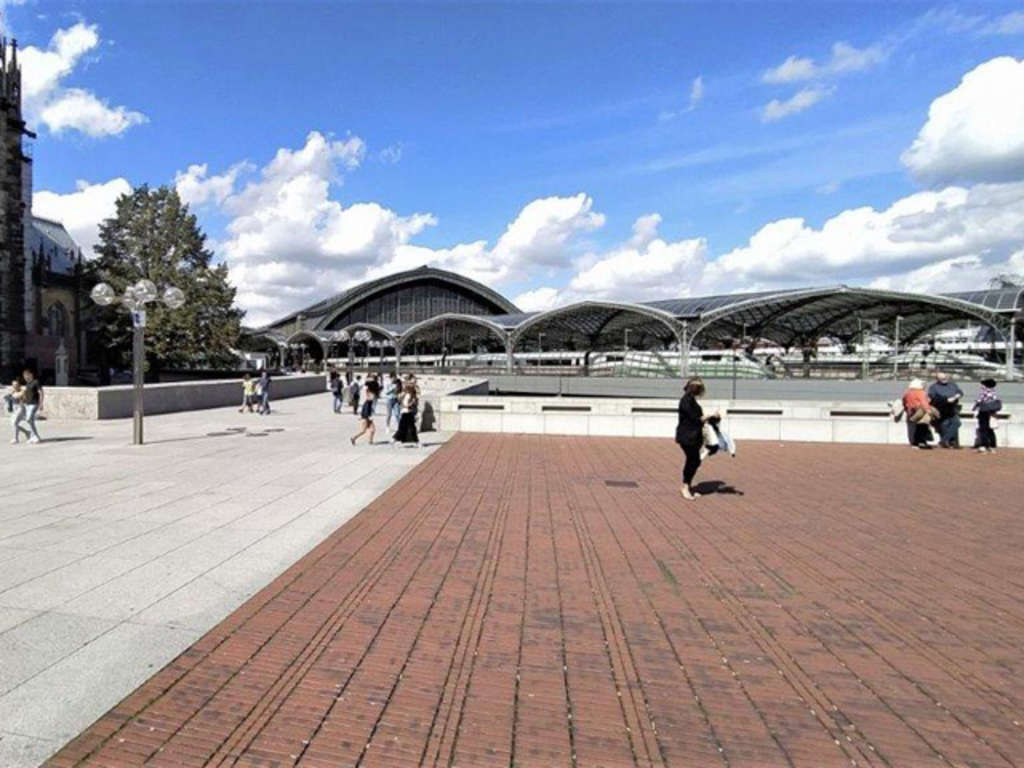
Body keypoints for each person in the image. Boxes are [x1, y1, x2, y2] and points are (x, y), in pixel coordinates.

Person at [675, 377, 716, 500]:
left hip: (694, 435)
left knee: (694, 460)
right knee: (693, 460)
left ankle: (688, 486)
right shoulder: (685, 401)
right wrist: (709, 416)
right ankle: (685, 486)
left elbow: (698, 418)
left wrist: (711, 417)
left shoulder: (691, 400)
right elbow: (695, 419)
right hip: (687, 436)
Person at [927, 371, 963, 448]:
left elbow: (960, 392)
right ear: (937, 379)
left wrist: (957, 396)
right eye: (942, 378)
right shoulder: (933, 387)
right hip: (941, 410)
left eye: (945, 377)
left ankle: (944, 441)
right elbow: (934, 398)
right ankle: (948, 443)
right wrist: (946, 400)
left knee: (957, 423)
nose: (945, 379)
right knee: (944, 426)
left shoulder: (952, 385)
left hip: (952, 409)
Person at [901, 378, 934, 448]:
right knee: (922, 426)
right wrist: (928, 410)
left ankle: (914, 443)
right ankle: (921, 441)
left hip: (910, 411)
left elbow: (904, 402)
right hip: (920, 412)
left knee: (912, 428)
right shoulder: (921, 392)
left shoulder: (907, 392)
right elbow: (923, 402)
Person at [13, 367, 43, 444]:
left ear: (31, 374)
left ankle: (35, 436)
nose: (26, 377)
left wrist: (41, 403)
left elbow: (41, 392)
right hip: (27, 404)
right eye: (24, 376)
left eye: (27, 375)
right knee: (29, 420)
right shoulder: (27, 384)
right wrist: (22, 401)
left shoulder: (36, 382)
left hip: (34, 404)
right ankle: (33, 436)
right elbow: (26, 395)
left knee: (29, 419)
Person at [972, 378, 1001, 453]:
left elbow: (979, 400)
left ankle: (984, 445)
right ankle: (992, 446)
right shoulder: (994, 392)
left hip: (983, 411)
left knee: (983, 429)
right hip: (991, 412)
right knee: (990, 429)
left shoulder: (984, 392)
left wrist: (974, 407)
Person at [351, 374, 380, 445]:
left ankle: (370, 441)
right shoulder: (368, 401)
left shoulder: (369, 398)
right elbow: (366, 408)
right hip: (366, 415)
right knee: (364, 430)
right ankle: (354, 438)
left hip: (367, 415)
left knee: (372, 429)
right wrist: (368, 416)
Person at [393, 374, 420, 447]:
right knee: (405, 427)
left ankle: (398, 440)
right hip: (405, 411)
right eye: (411, 383)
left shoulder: (412, 393)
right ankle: (396, 439)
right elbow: (400, 401)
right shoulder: (404, 393)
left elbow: (414, 400)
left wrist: (410, 404)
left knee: (409, 427)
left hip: (408, 411)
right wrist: (406, 405)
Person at [7, 377, 25, 444]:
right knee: (13, 424)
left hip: (20, 408)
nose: (14, 386)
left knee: (14, 423)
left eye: (16, 385)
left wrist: (11, 397)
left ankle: (16, 438)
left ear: (19, 385)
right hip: (15, 409)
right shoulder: (13, 392)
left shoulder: (22, 391)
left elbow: (18, 397)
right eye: (13, 385)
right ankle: (27, 432)